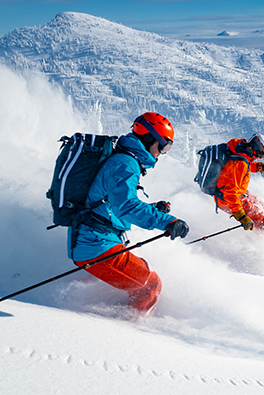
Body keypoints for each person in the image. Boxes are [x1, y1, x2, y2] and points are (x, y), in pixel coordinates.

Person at [67, 112, 190, 315]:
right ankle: (130, 327)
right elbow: (126, 206)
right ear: (150, 139)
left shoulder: (124, 159)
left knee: (143, 274)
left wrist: (153, 209)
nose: (162, 153)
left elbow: (112, 203)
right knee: (150, 285)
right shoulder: (125, 164)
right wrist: (167, 221)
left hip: (95, 241)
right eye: (163, 146)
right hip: (96, 245)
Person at [214, 133, 264, 231]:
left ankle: (263, 229)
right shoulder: (240, 163)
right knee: (263, 220)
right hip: (227, 199)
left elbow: (246, 165)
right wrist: (241, 215)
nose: (258, 156)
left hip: (231, 191)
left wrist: (262, 167)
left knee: (260, 203)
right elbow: (230, 193)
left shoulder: (238, 149)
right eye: (260, 154)